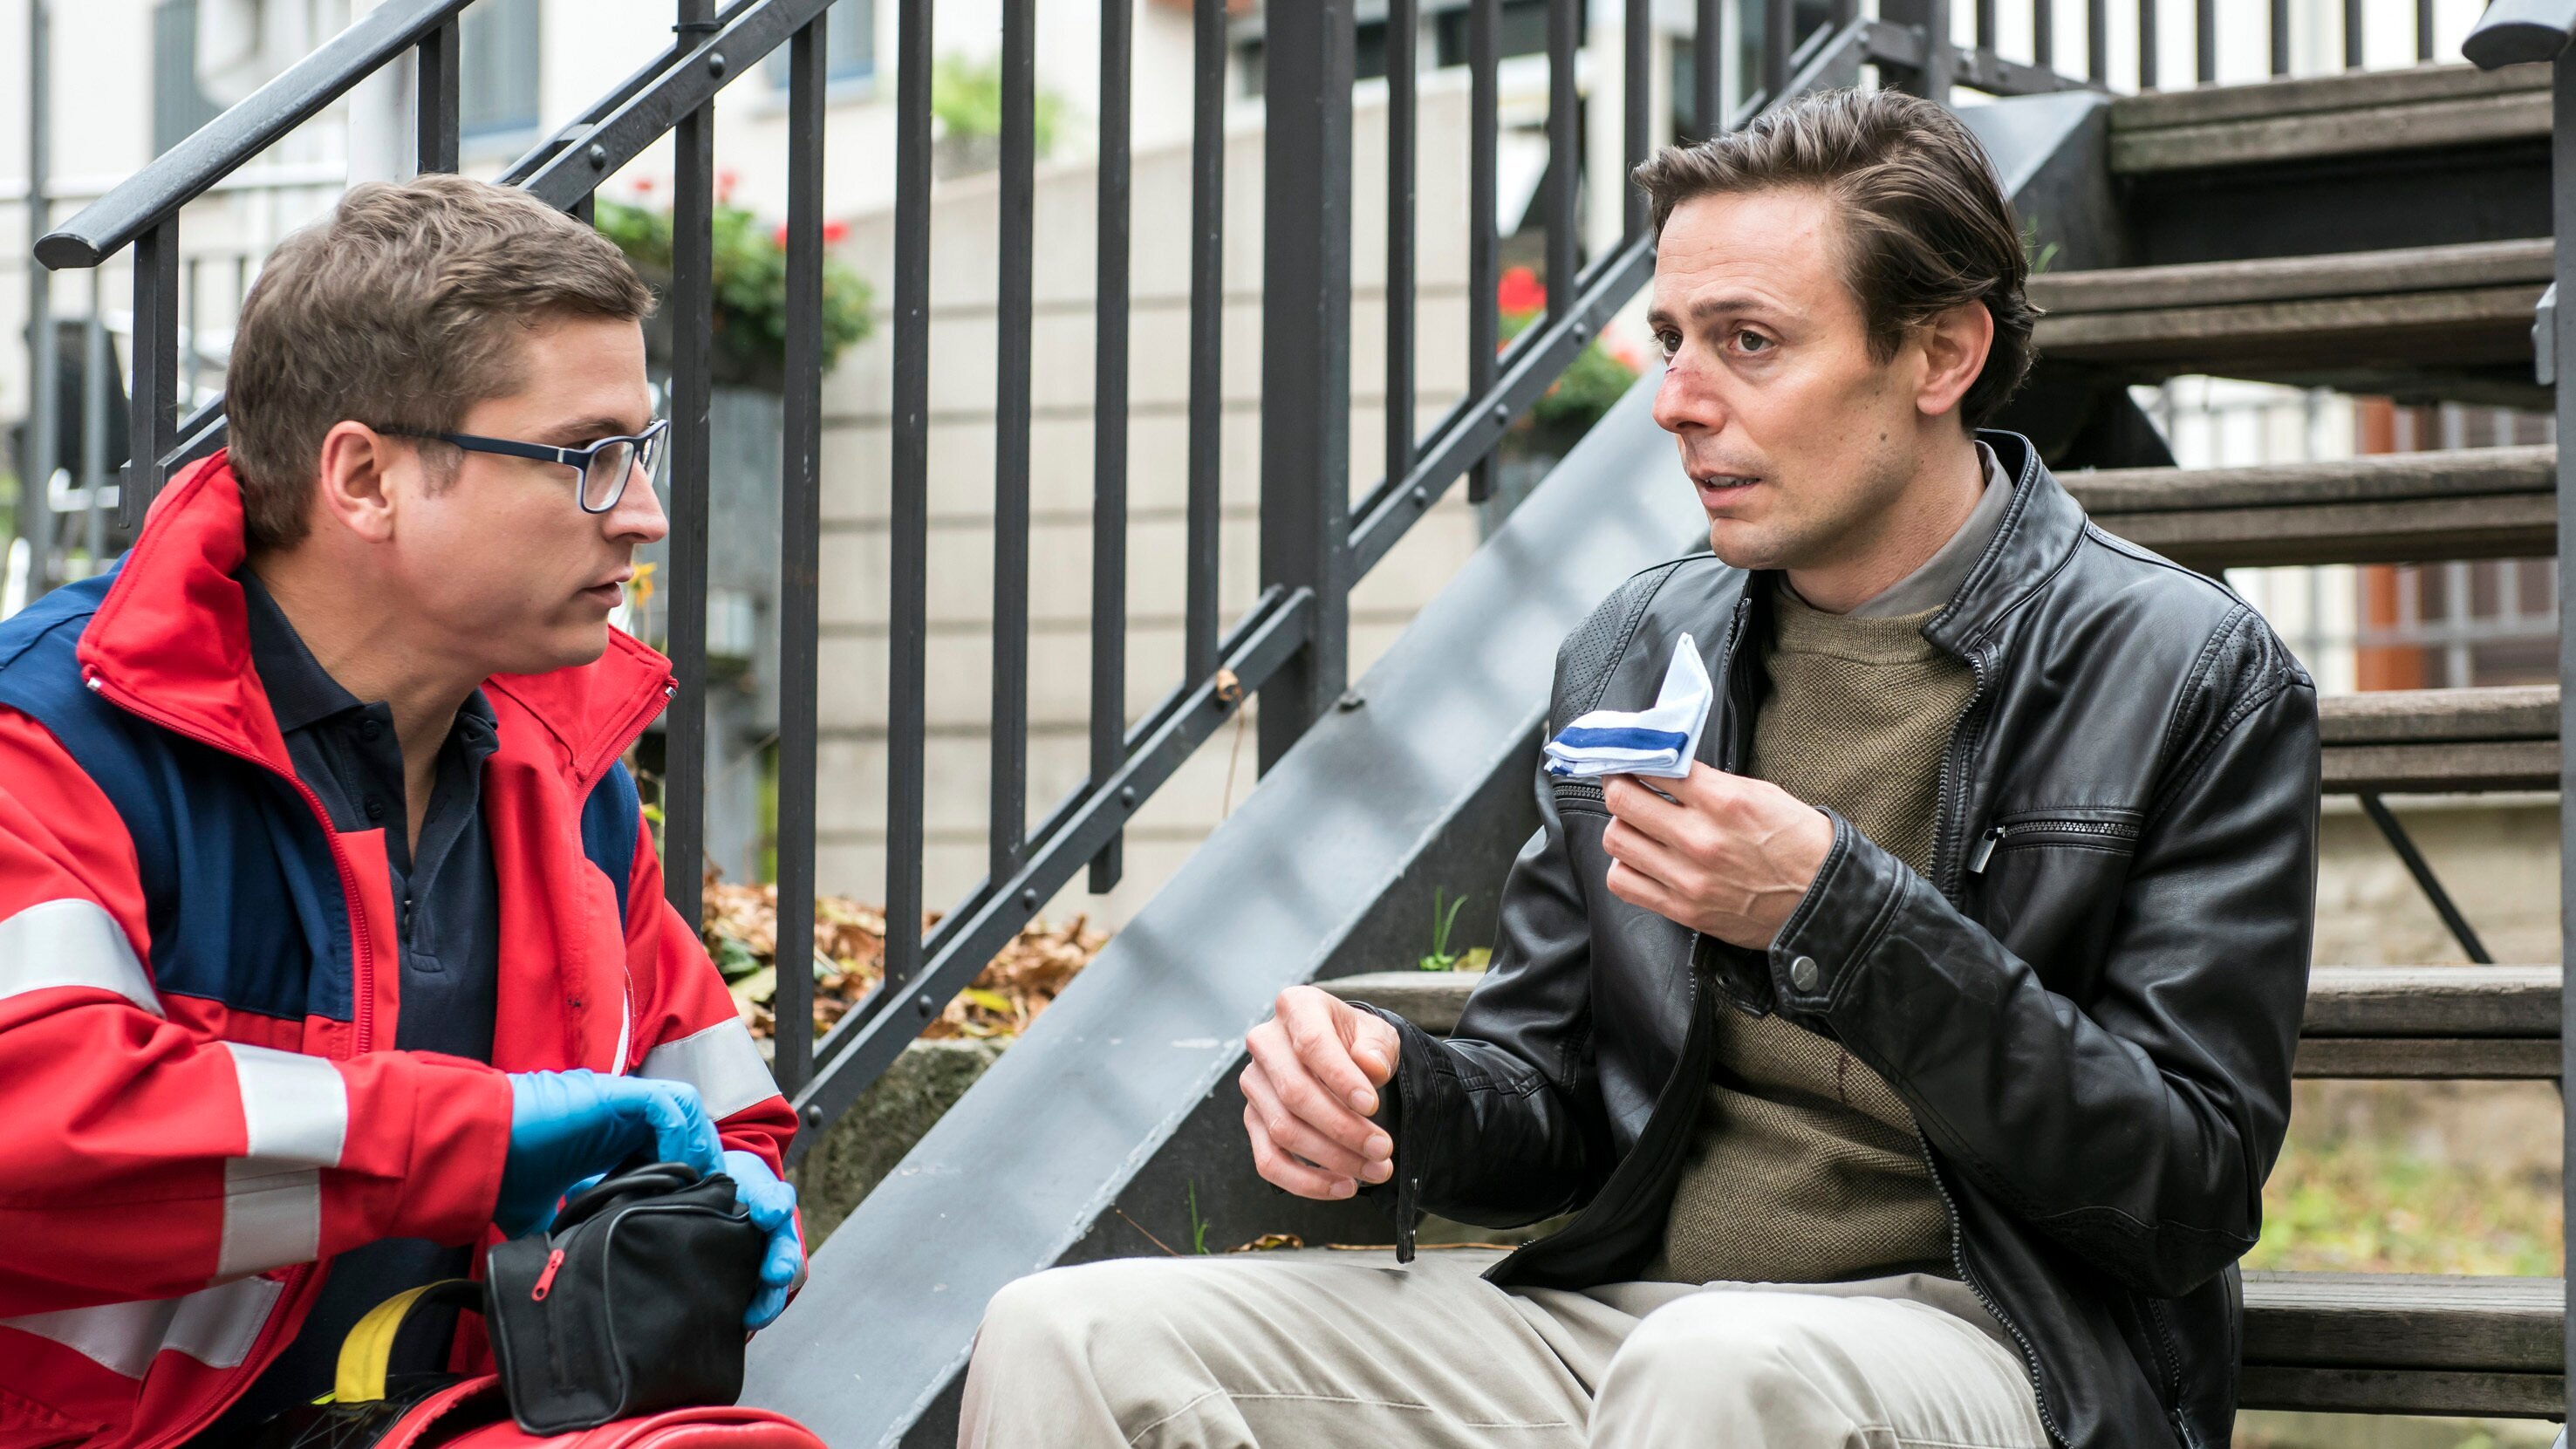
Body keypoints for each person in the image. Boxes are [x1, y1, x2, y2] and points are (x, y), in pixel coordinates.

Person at [958, 86, 2319, 1449]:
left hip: (1999, 1343)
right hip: (1634, 1323)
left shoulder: (2185, 667)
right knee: (1070, 1332)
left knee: (1713, 1367)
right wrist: (1401, 1097)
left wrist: (1839, 916)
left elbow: (2183, 1192)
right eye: (1671, 340)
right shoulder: (1641, 643)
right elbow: (1553, 1099)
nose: (1673, 402)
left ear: (1939, 351)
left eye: (1747, 342)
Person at [0, 175, 804, 1446]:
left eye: (639, 455)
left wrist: (739, 1182)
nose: (643, 516)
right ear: (365, 477)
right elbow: (36, 1135)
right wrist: (475, 1137)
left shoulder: (570, 768)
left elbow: (708, 1090)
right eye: (588, 459)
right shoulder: (49, 738)